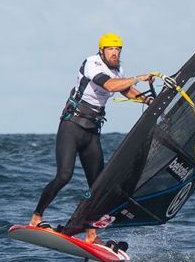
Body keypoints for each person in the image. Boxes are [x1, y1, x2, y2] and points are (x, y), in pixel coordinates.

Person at [29, 33, 154, 243]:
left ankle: (90, 233)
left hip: (92, 131)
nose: (115, 53)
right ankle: (36, 217)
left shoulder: (118, 70)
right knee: (64, 176)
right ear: (102, 50)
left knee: (98, 184)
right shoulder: (91, 63)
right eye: (111, 49)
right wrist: (138, 78)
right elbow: (111, 86)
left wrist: (146, 99)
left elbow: (126, 90)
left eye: (118, 50)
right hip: (72, 126)